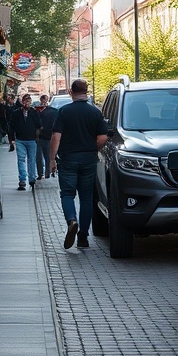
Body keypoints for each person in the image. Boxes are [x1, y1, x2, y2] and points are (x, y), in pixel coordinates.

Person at [50, 79, 108, 249]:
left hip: (68, 158)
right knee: (86, 197)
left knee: (67, 194)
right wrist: (92, 149)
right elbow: (103, 137)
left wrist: (52, 159)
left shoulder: (63, 111)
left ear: (71, 92)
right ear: (86, 91)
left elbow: (56, 137)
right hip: (88, 159)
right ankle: (83, 237)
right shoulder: (95, 112)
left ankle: (71, 220)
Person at [9, 93, 42, 190]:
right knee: (21, 160)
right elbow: (11, 127)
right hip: (20, 140)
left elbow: (39, 125)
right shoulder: (16, 113)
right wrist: (12, 140)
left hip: (32, 140)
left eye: (29, 101)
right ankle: (22, 180)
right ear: (22, 102)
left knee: (32, 160)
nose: (27, 103)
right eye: (25, 101)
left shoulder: (34, 112)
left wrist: (37, 136)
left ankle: (32, 179)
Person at [36, 94, 59, 180]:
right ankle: (46, 173)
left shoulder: (37, 111)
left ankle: (43, 173)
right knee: (46, 156)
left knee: (41, 156)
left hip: (42, 136)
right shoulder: (54, 111)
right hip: (46, 136)